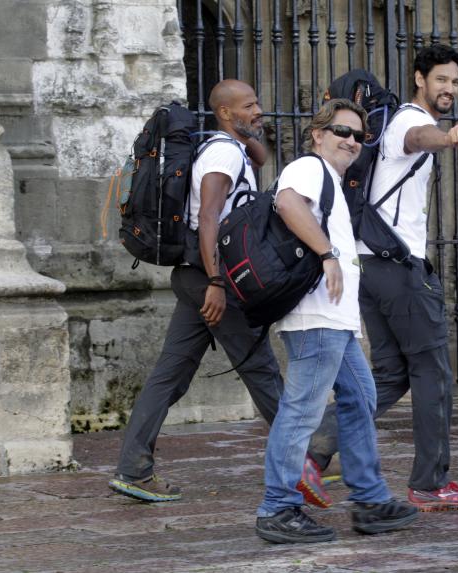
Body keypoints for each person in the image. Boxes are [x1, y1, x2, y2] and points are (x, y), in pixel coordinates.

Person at [304, 44, 458, 512]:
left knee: (390, 376)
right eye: (441, 80)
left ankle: (312, 453)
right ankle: (430, 482)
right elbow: (419, 137)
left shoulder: (395, 120)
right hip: (400, 270)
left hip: (369, 267)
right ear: (419, 78)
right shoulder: (407, 120)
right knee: (434, 375)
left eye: (455, 82)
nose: (449, 89)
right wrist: (450, 137)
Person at [108, 80, 285, 502]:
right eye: (249, 105)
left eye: (258, 101)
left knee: (169, 377)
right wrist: (218, 283)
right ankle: (312, 457)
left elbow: (259, 156)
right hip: (210, 279)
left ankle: (133, 469)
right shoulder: (223, 152)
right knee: (261, 370)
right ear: (225, 113)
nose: (259, 109)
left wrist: (251, 129)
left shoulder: (231, 147)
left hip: (193, 277)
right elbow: (208, 218)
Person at [254, 99, 418, 544]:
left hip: (335, 320)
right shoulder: (309, 168)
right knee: (302, 409)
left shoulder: (331, 180)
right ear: (318, 135)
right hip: (316, 316)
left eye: (359, 136)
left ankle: (369, 499)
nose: (351, 140)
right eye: (341, 131)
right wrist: (327, 254)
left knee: (361, 398)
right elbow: (288, 203)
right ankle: (277, 507)